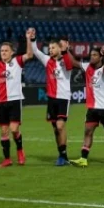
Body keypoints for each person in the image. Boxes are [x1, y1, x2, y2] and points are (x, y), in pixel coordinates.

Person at [27, 28, 73, 166]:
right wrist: (32, 38)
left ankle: (64, 156)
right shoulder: (48, 61)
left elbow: (70, 65)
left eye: (53, 47)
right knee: (55, 129)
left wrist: (66, 50)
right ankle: (62, 155)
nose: (50, 50)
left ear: (60, 48)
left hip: (63, 98)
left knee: (60, 126)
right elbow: (35, 51)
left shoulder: (66, 60)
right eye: (49, 48)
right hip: (51, 98)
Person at [69, 46, 104, 168]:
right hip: (92, 107)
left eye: (95, 55)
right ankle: (83, 158)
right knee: (88, 131)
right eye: (91, 55)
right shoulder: (88, 67)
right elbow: (73, 62)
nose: (91, 57)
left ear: (101, 57)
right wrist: (66, 51)